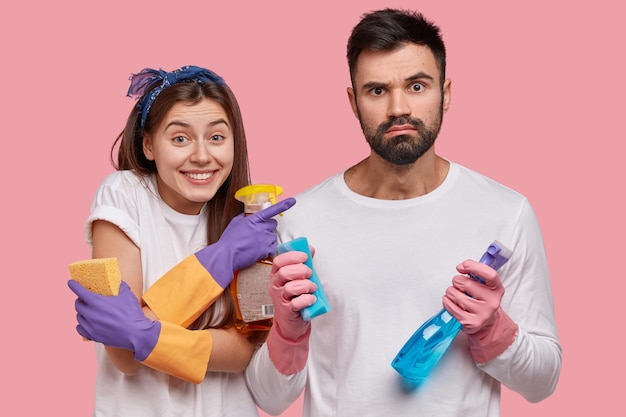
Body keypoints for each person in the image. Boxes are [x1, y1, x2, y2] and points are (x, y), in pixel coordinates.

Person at [244, 8, 562, 416]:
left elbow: (543, 383)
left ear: (445, 93)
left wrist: (493, 329)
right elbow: (268, 399)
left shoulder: (506, 212)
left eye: (416, 86)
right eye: (377, 90)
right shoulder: (298, 219)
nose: (398, 108)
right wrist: (288, 335)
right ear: (353, 102)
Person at [67, 65, 294, 416]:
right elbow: (124, 357)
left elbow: (242, 354)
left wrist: (145, 333)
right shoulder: (124, 195)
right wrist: (222, 257)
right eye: (180, 138)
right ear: (148, 145)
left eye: (217, 137)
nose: (202, 156)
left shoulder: (249, 222)